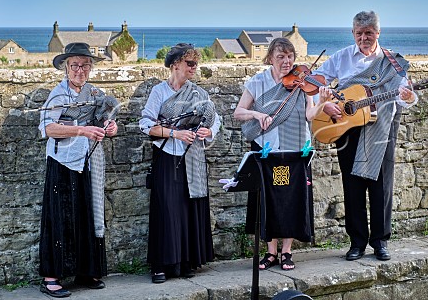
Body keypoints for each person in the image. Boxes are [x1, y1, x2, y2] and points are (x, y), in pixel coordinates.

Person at [311, 10, 417, 261]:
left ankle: (380, 242)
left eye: (369, 33)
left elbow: (409, 95)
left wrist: (409, 96)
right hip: (348, 126)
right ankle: (357, 242)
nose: (364, 38)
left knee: (382, 187)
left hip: (382, 128)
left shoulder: (392, 62)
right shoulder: (342, 58)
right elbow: (315, 83)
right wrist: (324, 104)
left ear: (378, 33)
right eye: (359, 33)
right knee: (353, 186)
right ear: (353, 33)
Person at [233, 37, 331, 271]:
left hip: (295, 147)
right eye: (281, 57)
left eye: (290, 57)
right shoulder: (257, 82)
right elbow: (238, 112)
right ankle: (270, 252)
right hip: (267, 149)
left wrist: (322, 103)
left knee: (291, 199)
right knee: (269, 199)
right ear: (270, 58)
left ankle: (287, 252)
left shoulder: (303, 82)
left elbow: (310, 115)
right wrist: (257, 115)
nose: (287, 62)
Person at [38, 42, 118, 297]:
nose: (79, 70)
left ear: (90, 67)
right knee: (60, 218)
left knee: (86, 215)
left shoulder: (95, 94)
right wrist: (81, 130)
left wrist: (110, 126)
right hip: (63, 164)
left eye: (84, 65)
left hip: (88, 161)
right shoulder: (58, 96)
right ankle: (51, 277)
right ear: (66, 67)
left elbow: (103, 120)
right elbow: (48, 129)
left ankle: (86, 271)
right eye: (74, 65)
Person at [139, 43, 221, 283]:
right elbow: (145, 125)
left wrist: (209, 131)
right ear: (175, 65)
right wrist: (175, 133)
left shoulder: (198, 93)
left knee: (187, 209)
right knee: (167, 210)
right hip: (167, 155)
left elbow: (217, 120)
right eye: (190, 63)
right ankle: (161, 265)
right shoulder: (159, 92)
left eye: (196, 63)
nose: (194, 68)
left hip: (193, 158)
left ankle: (186, 261)